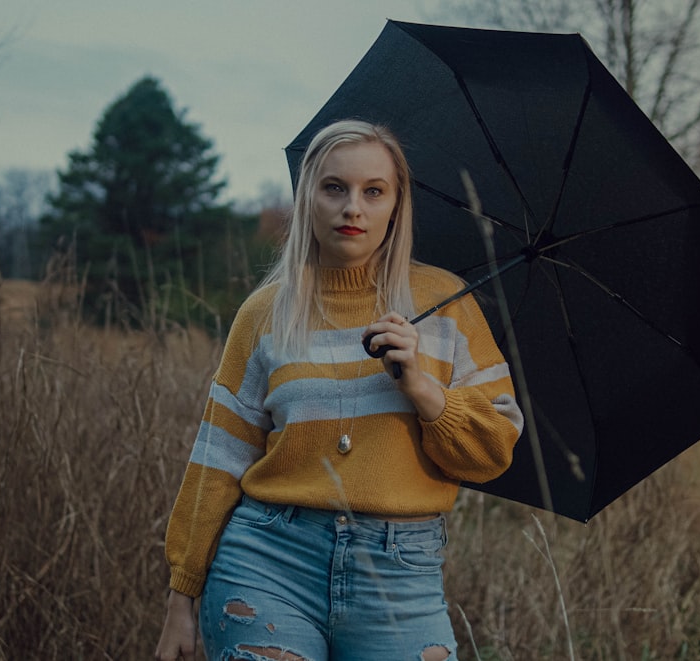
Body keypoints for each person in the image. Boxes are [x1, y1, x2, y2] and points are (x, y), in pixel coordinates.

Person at [154, 119, 523, 661]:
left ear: (396, 206)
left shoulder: (445, 305)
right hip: (268, 558)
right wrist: (180, 597)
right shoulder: (265, 313)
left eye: (374, 191)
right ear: (308, 200)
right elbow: (218, 457)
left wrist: (422, 387)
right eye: (335, 188)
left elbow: (495, 449)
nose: (354, 207)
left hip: (400, 569)